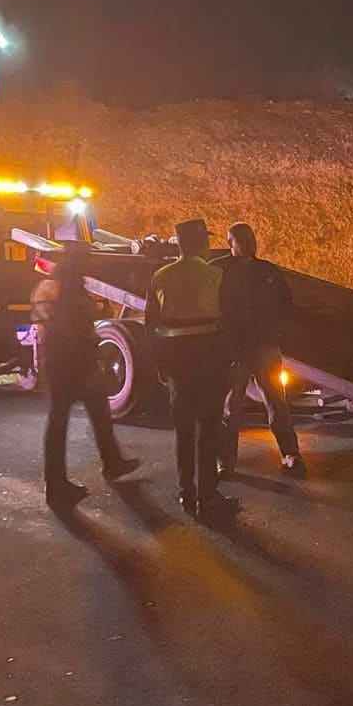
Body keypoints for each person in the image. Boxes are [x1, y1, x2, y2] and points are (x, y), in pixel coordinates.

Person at [31, 243, 140, 507]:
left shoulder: (57, 285)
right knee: (61, 423)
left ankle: (111, 463)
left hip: (66, 363)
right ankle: (56, 486)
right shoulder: (62, 287)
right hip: (69, 364)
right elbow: (67, 326)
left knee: (95, 413)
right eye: (86, 260)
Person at [145, 219, 236, 519]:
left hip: (177, 364)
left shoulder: (160, 276)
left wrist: (161, 365)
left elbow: (151, 326)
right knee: (207, 429)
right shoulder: (215, 274)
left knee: (183, 430)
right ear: (201, 244)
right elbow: (228, 321)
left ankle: (186, 491)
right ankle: (207, 495)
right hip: (209, 360)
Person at [214, 222, 304, 479]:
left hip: (264, 346)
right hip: (234, 350)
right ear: (229, 242)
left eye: (249, 238)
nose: (247, 243)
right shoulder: (219, 271)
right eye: (239, 239)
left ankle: (290, 453)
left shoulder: (267, 271)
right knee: (231, 407)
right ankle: (225, 460)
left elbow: (285, 302)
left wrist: (274, 330)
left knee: (276, 400)